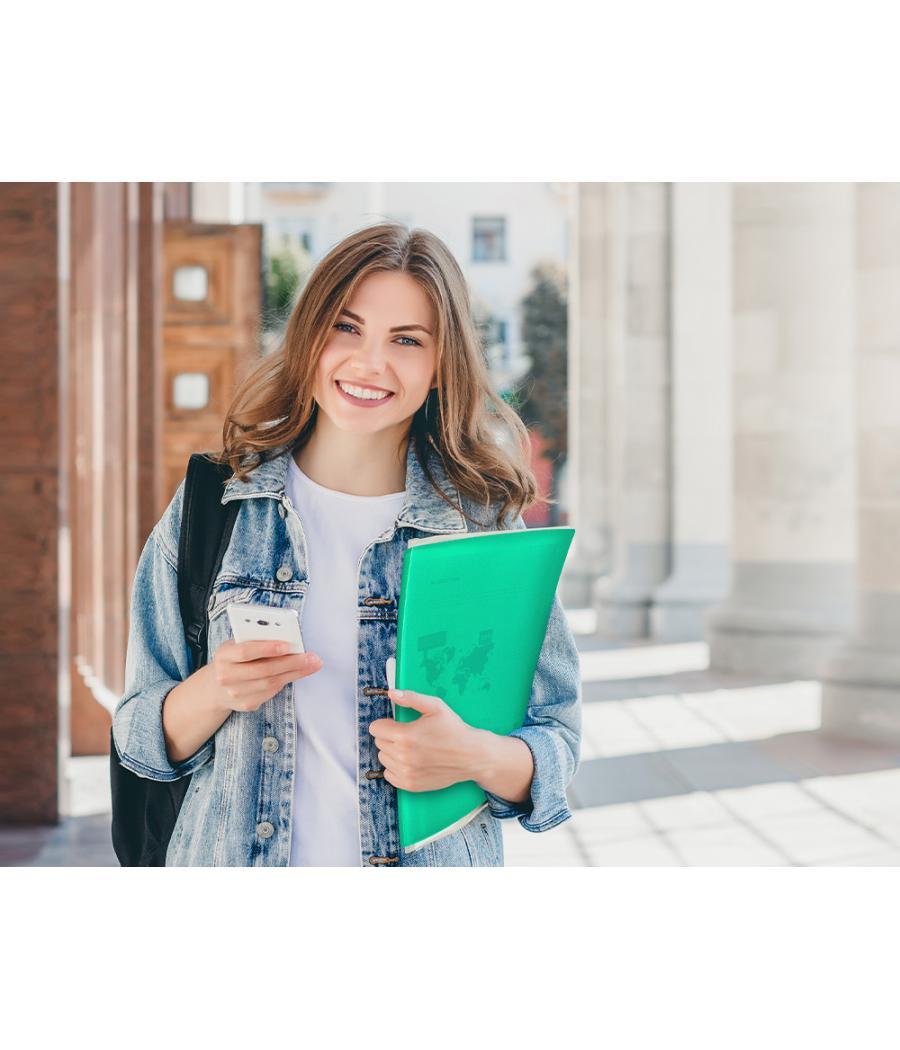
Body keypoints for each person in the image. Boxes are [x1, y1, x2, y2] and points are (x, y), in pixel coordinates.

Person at [112, 222, 581, 867]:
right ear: (309, 336)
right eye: (346, 327)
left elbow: (556, 740)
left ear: (442, 364)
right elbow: (136, 732)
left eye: (407, 340)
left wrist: (476, 756)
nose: (370, 363)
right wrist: (215, 689)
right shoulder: (215, 507)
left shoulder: (483, 527)